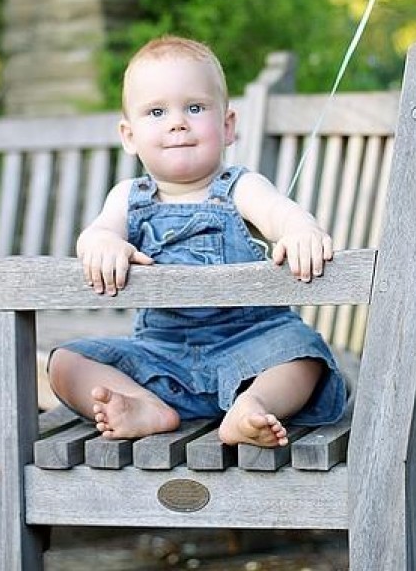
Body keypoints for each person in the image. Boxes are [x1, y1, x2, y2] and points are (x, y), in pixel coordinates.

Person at [48, 36, 346, 448]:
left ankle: (254, 406)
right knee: (65, 362)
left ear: (227, 126)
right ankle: (144, 405)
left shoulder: (239, 187)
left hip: (252, 348)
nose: (177, 122)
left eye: (194, 107)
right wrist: (102, 244)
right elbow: (96, 234)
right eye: (156, 111)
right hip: (162, 358)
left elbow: (281, 212)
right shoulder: (126, 198)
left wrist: (300, 231)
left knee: (305, 353)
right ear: (129, 134)